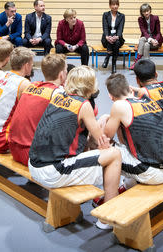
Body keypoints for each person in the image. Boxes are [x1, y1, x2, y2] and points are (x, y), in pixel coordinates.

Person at [29, 66, 122, 230]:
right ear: (90, 85)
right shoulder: (84, 105)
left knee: (88, 146)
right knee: (115, 155)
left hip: (33, 164)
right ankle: (109, 216)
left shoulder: (58, 96)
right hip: (53, 172)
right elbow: (102, 141)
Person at [103, 74, 163, 185]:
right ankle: (128, 185)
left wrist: (105, 119)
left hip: (153, 173)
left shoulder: (119, 105)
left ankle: (110, 197)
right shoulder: (149, 100)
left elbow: (106, 138)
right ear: (130, 88)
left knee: (104, 149)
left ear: (111, 96)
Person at [8, 54, 67, 165]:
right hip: (32, 154)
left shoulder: (32, 85)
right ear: (61, 74)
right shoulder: (58, 93)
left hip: (13, 148)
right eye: (66, 70)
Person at [130, 3, 163, 70]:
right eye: (144, 11)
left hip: (156, 42)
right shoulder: (140, 19)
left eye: (147, 11)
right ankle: (148, 65)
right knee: (146, 44)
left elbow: (158, 32)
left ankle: (137, 61)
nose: (146, 13)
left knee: (142, 39)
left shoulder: (155, 18)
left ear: (150, 10)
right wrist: (151, 40)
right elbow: (144, 32)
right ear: (142, 13)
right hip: (147, 39)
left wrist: (155, 40)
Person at [101, 0, 125, 74]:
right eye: (113, 4)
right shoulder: (105, 14)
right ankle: (112, 64)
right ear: (110, 5)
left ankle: (109, 59)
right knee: (110, 41)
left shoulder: (122, 16)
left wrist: (117, 36)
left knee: (117, 42)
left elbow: (121, 28)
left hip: (117, 37)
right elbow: (105, 27)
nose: (115, 6)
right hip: (107, 38)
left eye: (116, 4)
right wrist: (107, 36)